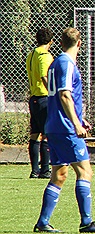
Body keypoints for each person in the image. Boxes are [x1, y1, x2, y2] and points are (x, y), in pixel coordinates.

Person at [33, 28, 95, 233]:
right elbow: (65, 95)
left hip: (53, 126)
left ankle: (43, 222)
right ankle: (86, 222)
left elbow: (60, 96)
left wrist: (78, 117)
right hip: (65, 128)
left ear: (60, 43)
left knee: (59, 174)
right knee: (85, 171)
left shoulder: (55, 63)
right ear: (79, 44)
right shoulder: (66, 63)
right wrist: (76, 123)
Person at [26, 28, 54, 179]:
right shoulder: (45, 55)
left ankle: (34, 170)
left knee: (35, 134)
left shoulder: (31, 54)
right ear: (51, 41)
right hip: (44, 98)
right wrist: (53, 94)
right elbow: (44, 76)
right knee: (46, 134)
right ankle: (45, 169)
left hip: (34, 98)